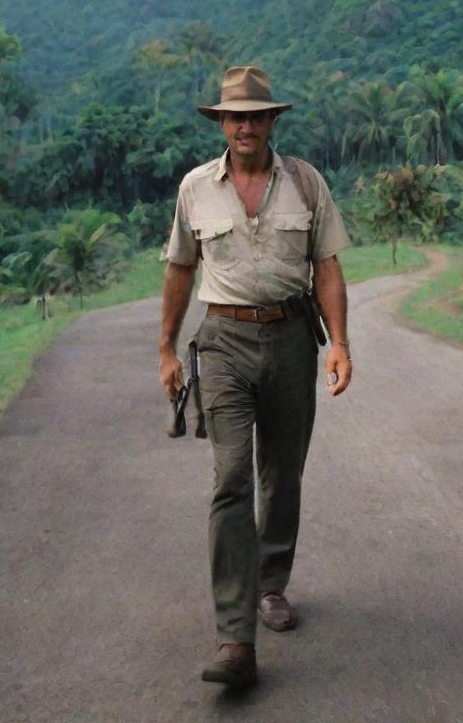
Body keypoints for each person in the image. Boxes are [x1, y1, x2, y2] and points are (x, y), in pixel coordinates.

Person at [159, 65, 353, 690]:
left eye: (256, 115)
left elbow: (326, 264)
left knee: (282, 472)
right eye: (234, 116)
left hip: (294, 337)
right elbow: (179, 271)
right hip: (222, 343)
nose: (244, 126)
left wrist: (339, 343)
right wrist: (165, 349)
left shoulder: (304, 182)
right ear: (221, 122)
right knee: (232, 479)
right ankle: (235, 637)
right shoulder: (195, 188)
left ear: (273, 121)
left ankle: (272, 585)